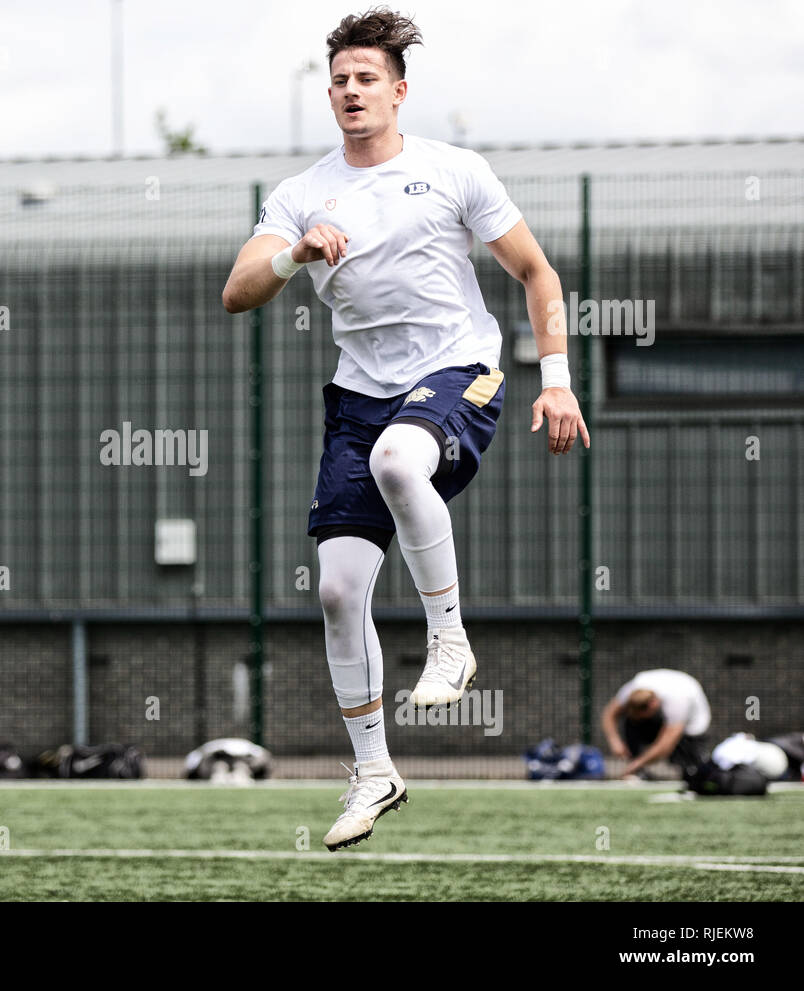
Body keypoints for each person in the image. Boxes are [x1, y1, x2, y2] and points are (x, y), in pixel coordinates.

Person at [221, 7, 588, 851]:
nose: (351, 91)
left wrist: (558, 380)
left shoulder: (454, 169)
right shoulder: (303, 192)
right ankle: (374, 770)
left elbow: (537, 272)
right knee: (339, 590)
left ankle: (450, 640)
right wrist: (293, 254)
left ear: (398, 91)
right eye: (340, 80)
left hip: (460, 371)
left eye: (366, 80)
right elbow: (238, 289)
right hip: (358, 396)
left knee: (398, 459)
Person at [600, 669, 711, 780]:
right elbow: (609, 714)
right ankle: (638, 772)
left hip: (691, 730)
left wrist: (636, 764)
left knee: (693, 772)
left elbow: (666, 744)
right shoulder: (630, 690)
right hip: (662, 717)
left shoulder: (678, 699)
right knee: (631, 723)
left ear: (652, 704)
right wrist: (615, 741)